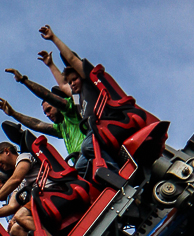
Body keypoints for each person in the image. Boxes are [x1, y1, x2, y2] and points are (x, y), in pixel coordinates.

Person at [38, 24, 150, 175]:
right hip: (96, 133)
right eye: (71, 82)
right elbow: (64, 85)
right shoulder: (77, 99)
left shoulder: (88, 85)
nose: (72, 83)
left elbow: (71, 58)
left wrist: (53, 38)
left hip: (111, 122)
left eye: (74, 79)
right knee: (79, 170)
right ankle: (106, 186)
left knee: (87, 146)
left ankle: (117, 176)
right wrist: (51, 65)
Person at [0, 64, 86, 159]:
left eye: (49, 109)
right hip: (80, 165)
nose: (47, 115)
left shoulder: (70, 110)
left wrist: (24, 80)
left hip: (89, 155)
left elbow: (47, 95)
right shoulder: (61, 128)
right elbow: (37, 124)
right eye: (45, 113)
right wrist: (14, 114)